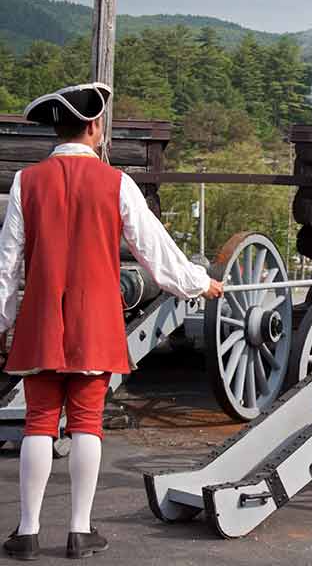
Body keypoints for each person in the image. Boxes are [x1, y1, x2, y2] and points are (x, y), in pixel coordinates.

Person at [0, 82, 224, 560]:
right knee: (86, 423)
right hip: (94, 322)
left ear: (54, 130)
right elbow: (155, 252)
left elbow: (7, 266)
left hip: (40, 319)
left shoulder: (25, 181)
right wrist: (198, 283)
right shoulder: (117, 183)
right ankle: (80, 532)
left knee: (39, 422)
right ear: (95, 127)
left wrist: (1, 322)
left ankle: (26, 532)